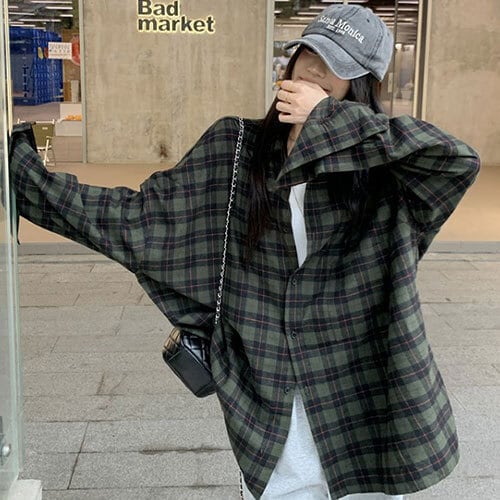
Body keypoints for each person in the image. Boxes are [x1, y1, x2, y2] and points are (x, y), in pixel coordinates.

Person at [9, 4, 479, 500]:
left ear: (361, 85)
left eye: (337, 65)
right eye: (311, 53)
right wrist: (26, 176)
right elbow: (137, 218)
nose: (315, 70)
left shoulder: (385, 169)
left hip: (365, 387)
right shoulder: (236, 148)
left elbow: (457, 161)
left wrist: (327, 119)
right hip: (274, 393)